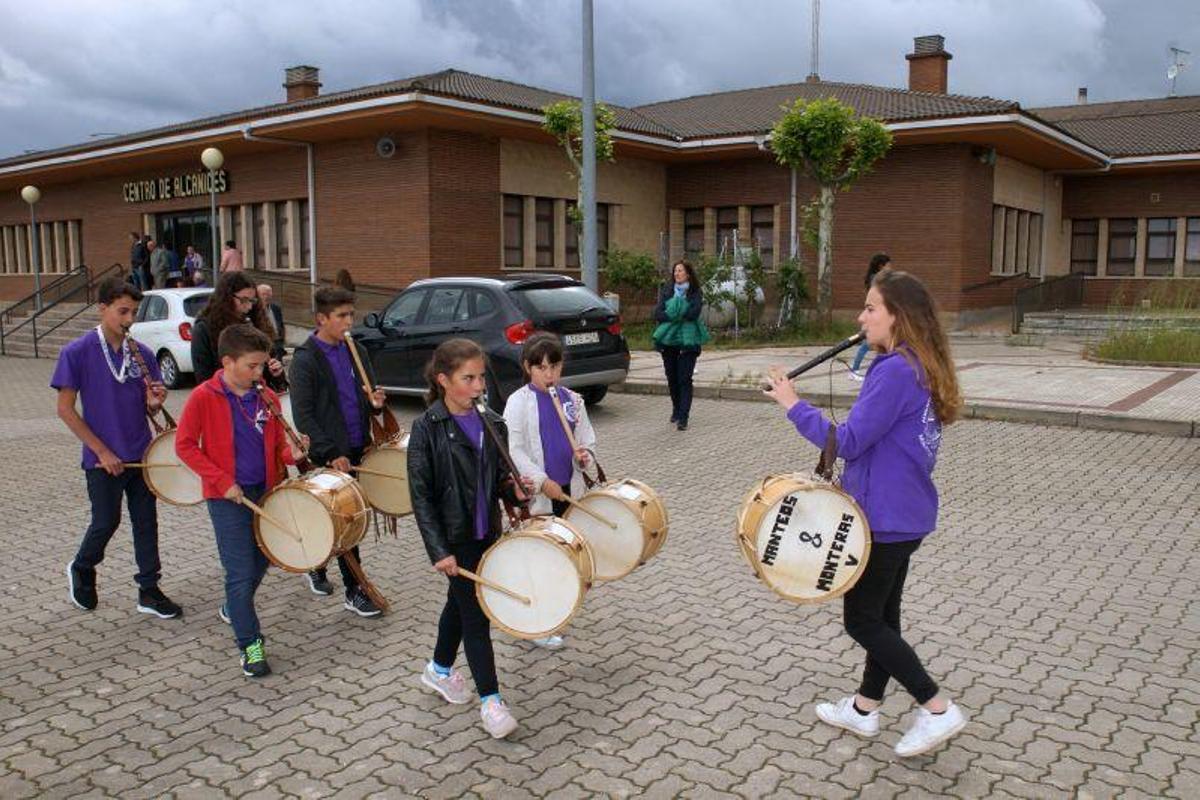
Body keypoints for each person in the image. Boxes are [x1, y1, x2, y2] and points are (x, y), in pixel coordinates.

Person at [763, 269, 968, 758]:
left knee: (861, 621)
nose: (861, 316)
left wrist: (793, 404)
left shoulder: (895, 369)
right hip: (905, 515)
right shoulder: (918, 363)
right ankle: (864, 707)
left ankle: (936, 707)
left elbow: (849, 441)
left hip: (885, 519)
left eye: (871, 308)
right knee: (884, 618)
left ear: (897, 317)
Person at [408, 339, 533, 739]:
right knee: (476, 615)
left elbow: (497, 478)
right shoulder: (427, 427)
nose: (479, 385)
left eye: (481, 377)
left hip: (486, 531)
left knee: (459, 604)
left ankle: (439, 670)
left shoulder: (491, 422)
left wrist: (514, 489)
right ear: (444, 380)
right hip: (455, 537)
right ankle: (491, 702)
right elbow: (421, 495)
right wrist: (438, 550)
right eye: (469, 378)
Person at [175, 324, 307, 677]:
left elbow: (278, 446)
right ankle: (250, 644)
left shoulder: (266, 397)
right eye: (251, 366)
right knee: (239, 571)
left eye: (262, 365)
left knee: (265, 557)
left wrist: (293, 453)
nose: (258, 373)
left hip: (266, 491)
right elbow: (184, 445)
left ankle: (236, 604)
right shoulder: (204, 396)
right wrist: (221, 482)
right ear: (228, 361)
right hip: (227, 498)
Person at [53, 275, 182, 619]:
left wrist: (154, 404)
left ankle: (149, 589)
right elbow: (65, 409)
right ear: (103, 308)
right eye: (122, 311)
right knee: (105, 521)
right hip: (102, 457)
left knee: (146, 522)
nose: (129, 320)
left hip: (141, 454)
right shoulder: (77, 352)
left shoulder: (143, 354)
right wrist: (101, 451)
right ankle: (82, 566)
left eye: (134, 313)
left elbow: (147, 405)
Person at [288, 287, 387, 616]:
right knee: (346, 520)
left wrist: (375, 406)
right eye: (341, 316)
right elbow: (303, 415)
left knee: (345, 518)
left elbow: (367, 398)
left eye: (351, 314)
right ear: (321, 319)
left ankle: (316, 561)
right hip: (328, 453)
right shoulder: (305, 361)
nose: (349, 322)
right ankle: (354, 589)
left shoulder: (355, 350)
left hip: (357, 447)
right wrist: (330, 453)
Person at [502, 331, 597, 650]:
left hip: (569, 488)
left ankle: (550, 612)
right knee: (537, 556)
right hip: (538, 493)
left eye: (554, 367)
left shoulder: (572, 400)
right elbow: (513, 450)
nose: (549, 374)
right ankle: (533, 622)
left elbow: (585, 438)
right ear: (528, 367)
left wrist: (583, 456)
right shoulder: (517, 402)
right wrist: (542, 481)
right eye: (541, 367)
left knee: (563, 554)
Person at [191, 272, 286, 391]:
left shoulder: (255, 323)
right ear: (226, 298)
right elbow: (204, 379)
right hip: (224, 401)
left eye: (252, 301)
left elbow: (270, 375)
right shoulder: (204, 329)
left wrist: (276, 373)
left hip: (256, 400)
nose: (249, 307)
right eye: (243, 300)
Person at [652, 259, 708, 431]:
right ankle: (676, 409)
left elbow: (693, 313)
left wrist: (675, 312)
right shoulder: (667, 290)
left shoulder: (695, 292)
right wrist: (675, 314)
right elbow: (658, 313)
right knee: (672, 378)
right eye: (675, 271)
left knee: (684, 379)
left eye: (680, 271)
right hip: (668, 342)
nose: (677, 274)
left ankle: (683, 417)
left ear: (688, 274)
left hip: (688, 342)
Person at [849, 253, 892, 380]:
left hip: (877, 313)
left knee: (875, 343)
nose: (890, 268)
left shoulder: (876, 278)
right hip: (875, 314)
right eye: (888, 265)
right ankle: (854, 370)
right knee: (867, 343)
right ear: (881, 266)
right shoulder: (877, 280)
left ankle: (859, 370)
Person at [258, 284, 286, 358]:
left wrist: (282, 341)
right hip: (263, 345)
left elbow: (281, 325)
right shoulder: (254, 310)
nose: (266, 297)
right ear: (257, 295)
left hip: (277, 343)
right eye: (263, 294)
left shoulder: (276, 308)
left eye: (269, 294)